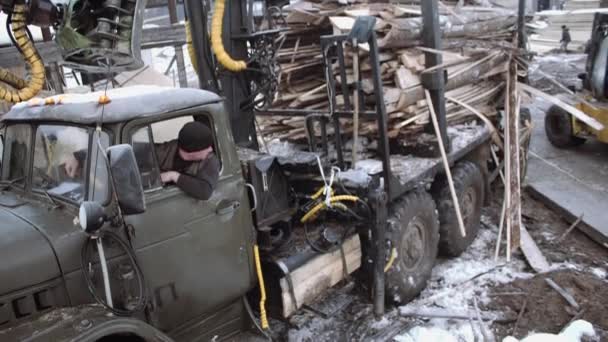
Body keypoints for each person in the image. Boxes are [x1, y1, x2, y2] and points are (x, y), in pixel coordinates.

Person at [65, 121, 220, 201]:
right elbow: (125, 149)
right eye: (206, 148)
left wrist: (174, 176)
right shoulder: (166, 151)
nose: (210, 150)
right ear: (190, 152)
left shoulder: (210, 161)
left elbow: (205, 191)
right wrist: (80, 155)